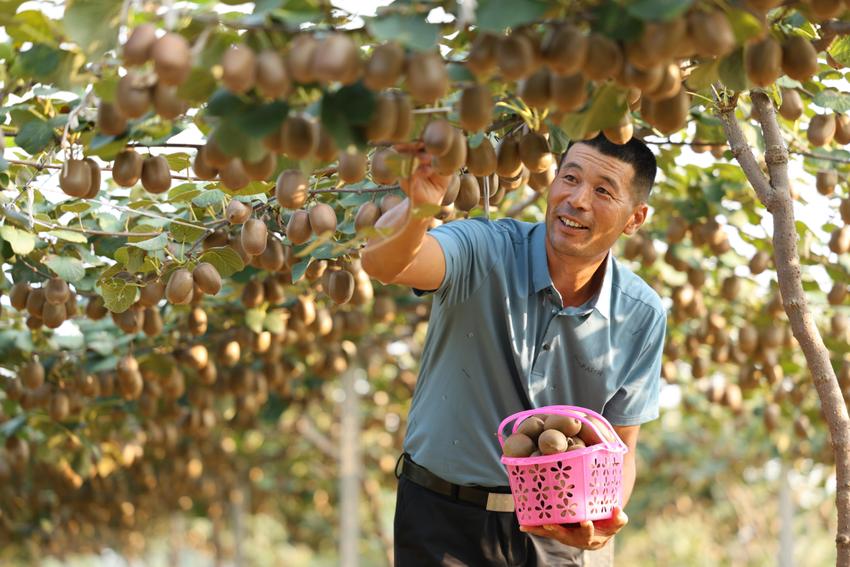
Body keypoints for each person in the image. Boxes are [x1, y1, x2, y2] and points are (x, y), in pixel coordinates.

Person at [360, 134, 666, 566]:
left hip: (556, 534)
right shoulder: (485, 248)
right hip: (441, 521)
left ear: (635, 218)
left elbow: (622, 447)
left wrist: (605, 515)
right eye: (570, 178)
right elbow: (384, 265)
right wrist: (418, 211)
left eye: (602, 190)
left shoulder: (641, 315)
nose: (577, 199)